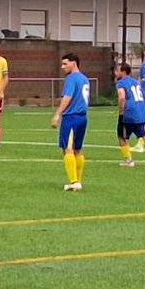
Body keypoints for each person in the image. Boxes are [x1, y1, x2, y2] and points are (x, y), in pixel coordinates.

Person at [51, 52, 89, 191]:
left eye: (65, 64)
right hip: (83, 117)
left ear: (74, 63)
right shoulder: (84, 78)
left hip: (71, 117)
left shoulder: (71, 78)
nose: (62, 67)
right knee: (77, 150)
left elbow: (67, 97)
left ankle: (74, 181)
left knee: (68, 149)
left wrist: (57, 115)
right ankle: (77, 180)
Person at [114, 62, 145, 168]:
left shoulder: (121, 83)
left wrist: (121, 112)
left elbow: (122, 97)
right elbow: (143, 97)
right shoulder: (136, 82)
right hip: (142, 113)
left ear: (123, 71)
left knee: (121, 136)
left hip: (129, 113)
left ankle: (129, 160)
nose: (115, 73)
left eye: (117, 71)